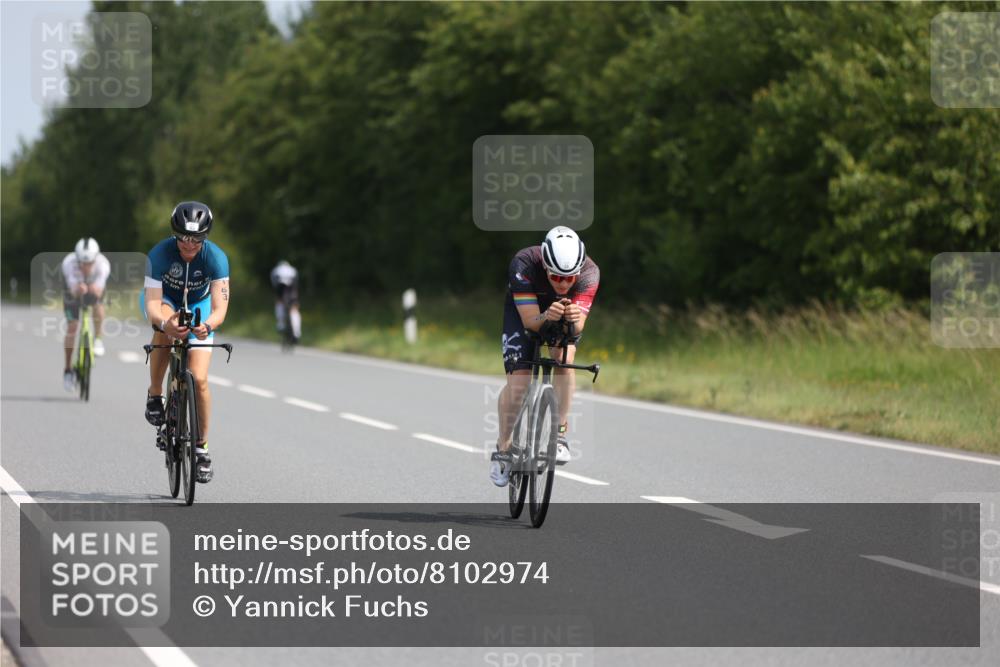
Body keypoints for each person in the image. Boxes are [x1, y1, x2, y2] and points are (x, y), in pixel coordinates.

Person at [490, 226, 600, 487]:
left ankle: (560, 434)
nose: (562, 284)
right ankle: (503, 448)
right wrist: (546, 316)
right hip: (525, 313)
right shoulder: (524, 263)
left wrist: (573, 320)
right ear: (545, 265)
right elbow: (530, 322)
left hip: (561, 314)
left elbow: (578, 327)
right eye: (555, 277)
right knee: (519, 383)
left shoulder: (590, 272)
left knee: (564, 357)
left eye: (569, 279)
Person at [140, 202, 230, 483]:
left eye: (197, 239)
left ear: (206, 237)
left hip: (200, 304)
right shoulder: (159, 254)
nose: (190, 245)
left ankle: (201, 449)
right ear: (174, 234)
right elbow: (153, 305)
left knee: (200, 379)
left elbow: (220, 308)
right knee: (165, 328)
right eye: (183, 238)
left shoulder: (216, 258)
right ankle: (156, 394)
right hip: (166, 300)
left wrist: (208, 326)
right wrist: (166, 323)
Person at [62, 238, 110, 391]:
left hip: (93, 290)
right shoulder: (68, 264)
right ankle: (68, 370)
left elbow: (99, 290)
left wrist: (93, 289)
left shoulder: (103, 264)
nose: (85, 267)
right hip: (73, 292)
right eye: (82, 263)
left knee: (98, 304)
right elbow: (72, 290)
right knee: (72, 327)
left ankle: (98, 339)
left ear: (95, 259)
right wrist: (77, 289)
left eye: (89, 263)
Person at [270, 259, 301, 343]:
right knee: (294, 308)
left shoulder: (276, 270)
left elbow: (274, 283)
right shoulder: (292, 270)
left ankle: (281, 324)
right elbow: (296, 282)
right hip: (291, 287)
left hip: (280, 285)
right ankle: (296, 332)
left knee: (279, 301)